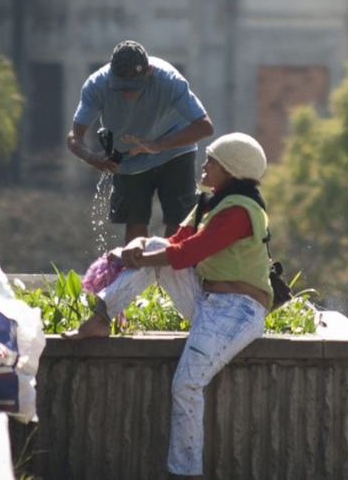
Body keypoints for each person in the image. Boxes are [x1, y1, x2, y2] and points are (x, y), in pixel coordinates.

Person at [62, 132, 272, 479]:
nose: (204, 166)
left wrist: (137, 260)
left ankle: (185, 473)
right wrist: (141, 245)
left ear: (231, 170)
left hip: (238, 310)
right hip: (207, 301)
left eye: (212, 161)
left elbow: (189, 254)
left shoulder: (240, 210)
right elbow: (174, 242)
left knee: (187, 385)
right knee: (157, 245)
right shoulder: (211, 202)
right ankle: (101, 317)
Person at [67, 40, 214, 244]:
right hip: (129, 157)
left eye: (134, 87)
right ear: (111, 74)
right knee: (134, 221)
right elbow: (74, 137)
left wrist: (160, 145)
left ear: (149, 71)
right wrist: (92, 158)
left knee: (177, 221)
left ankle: (170, 274)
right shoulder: (97, 85)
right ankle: (137, 273)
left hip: (174, 148)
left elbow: (205, 126)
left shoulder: (169, 80)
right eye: (122, 87)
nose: (128, 94)